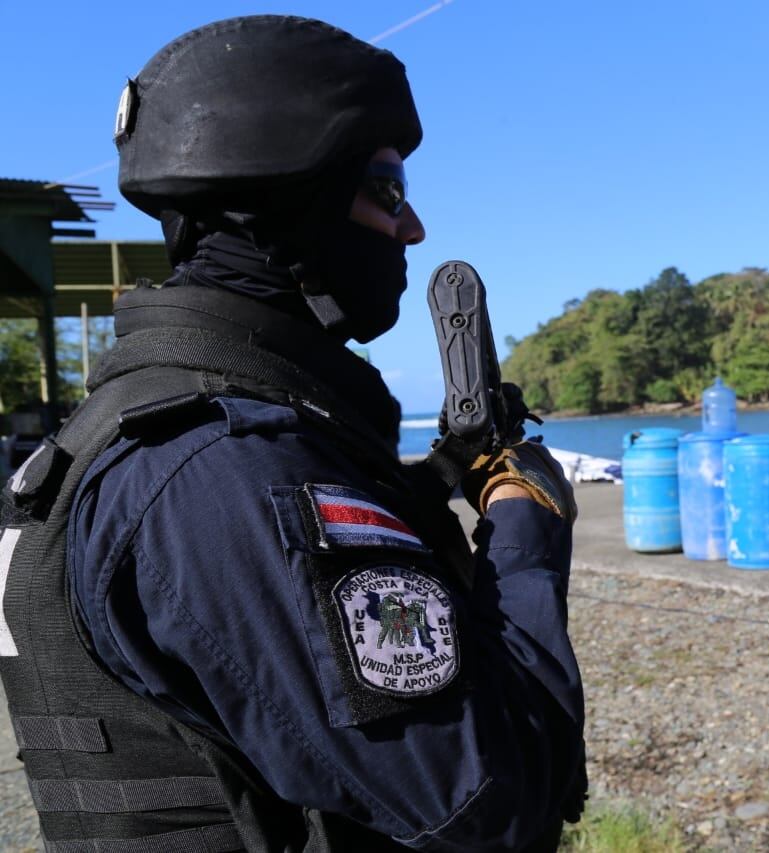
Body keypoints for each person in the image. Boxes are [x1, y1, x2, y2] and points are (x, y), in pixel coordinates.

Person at [0, 15, 585, 852]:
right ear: (288, 199)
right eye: (385, 190)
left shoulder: (147, 429)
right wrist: (526, 527)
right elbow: (486, 802)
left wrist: (449, 469)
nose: (411, 226)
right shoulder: (219, 467)